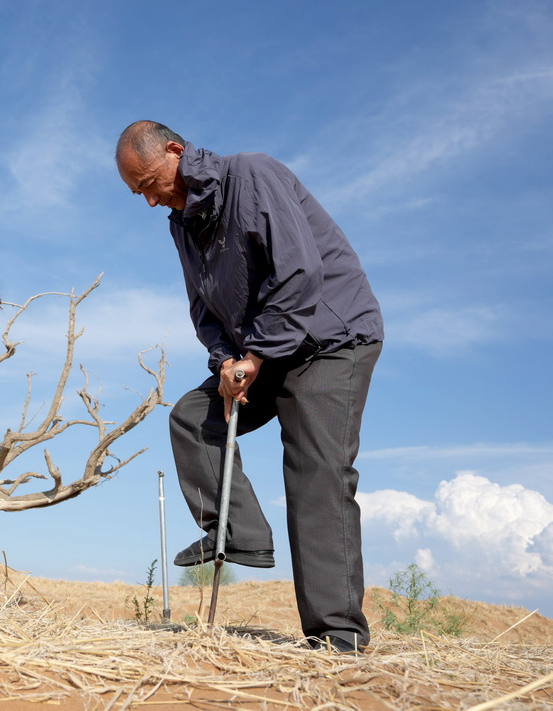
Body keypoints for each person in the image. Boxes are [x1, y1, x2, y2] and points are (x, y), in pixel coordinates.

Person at [115, 120, 384, 653]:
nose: (149, 201)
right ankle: (236, 532)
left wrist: (257, 354)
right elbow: (204, 306)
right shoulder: (181, 223)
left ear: (175, 151)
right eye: (138, 193)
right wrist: (225, 361)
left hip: (329, 340)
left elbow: (298, 273)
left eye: (149, 183)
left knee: (315, 472)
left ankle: (337, 635)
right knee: (194, 417)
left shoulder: (252, 174)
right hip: (265, 351)